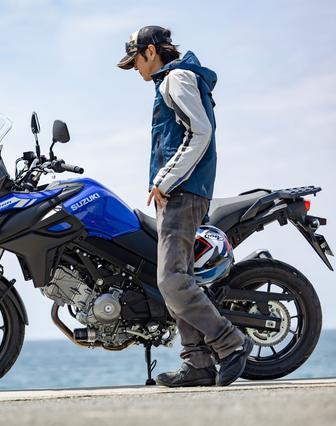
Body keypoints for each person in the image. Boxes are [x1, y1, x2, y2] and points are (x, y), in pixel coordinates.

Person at [117, 25, 253, 387]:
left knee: (172, 281)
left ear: (150, 52)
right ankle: (198, 365)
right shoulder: (174, 79)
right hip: (180, 192)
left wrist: (164, 179)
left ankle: (231, 342)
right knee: (178, 280)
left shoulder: (176, 79)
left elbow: (200, 131)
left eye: (136, 61)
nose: (136, 69)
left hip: (182, 193)